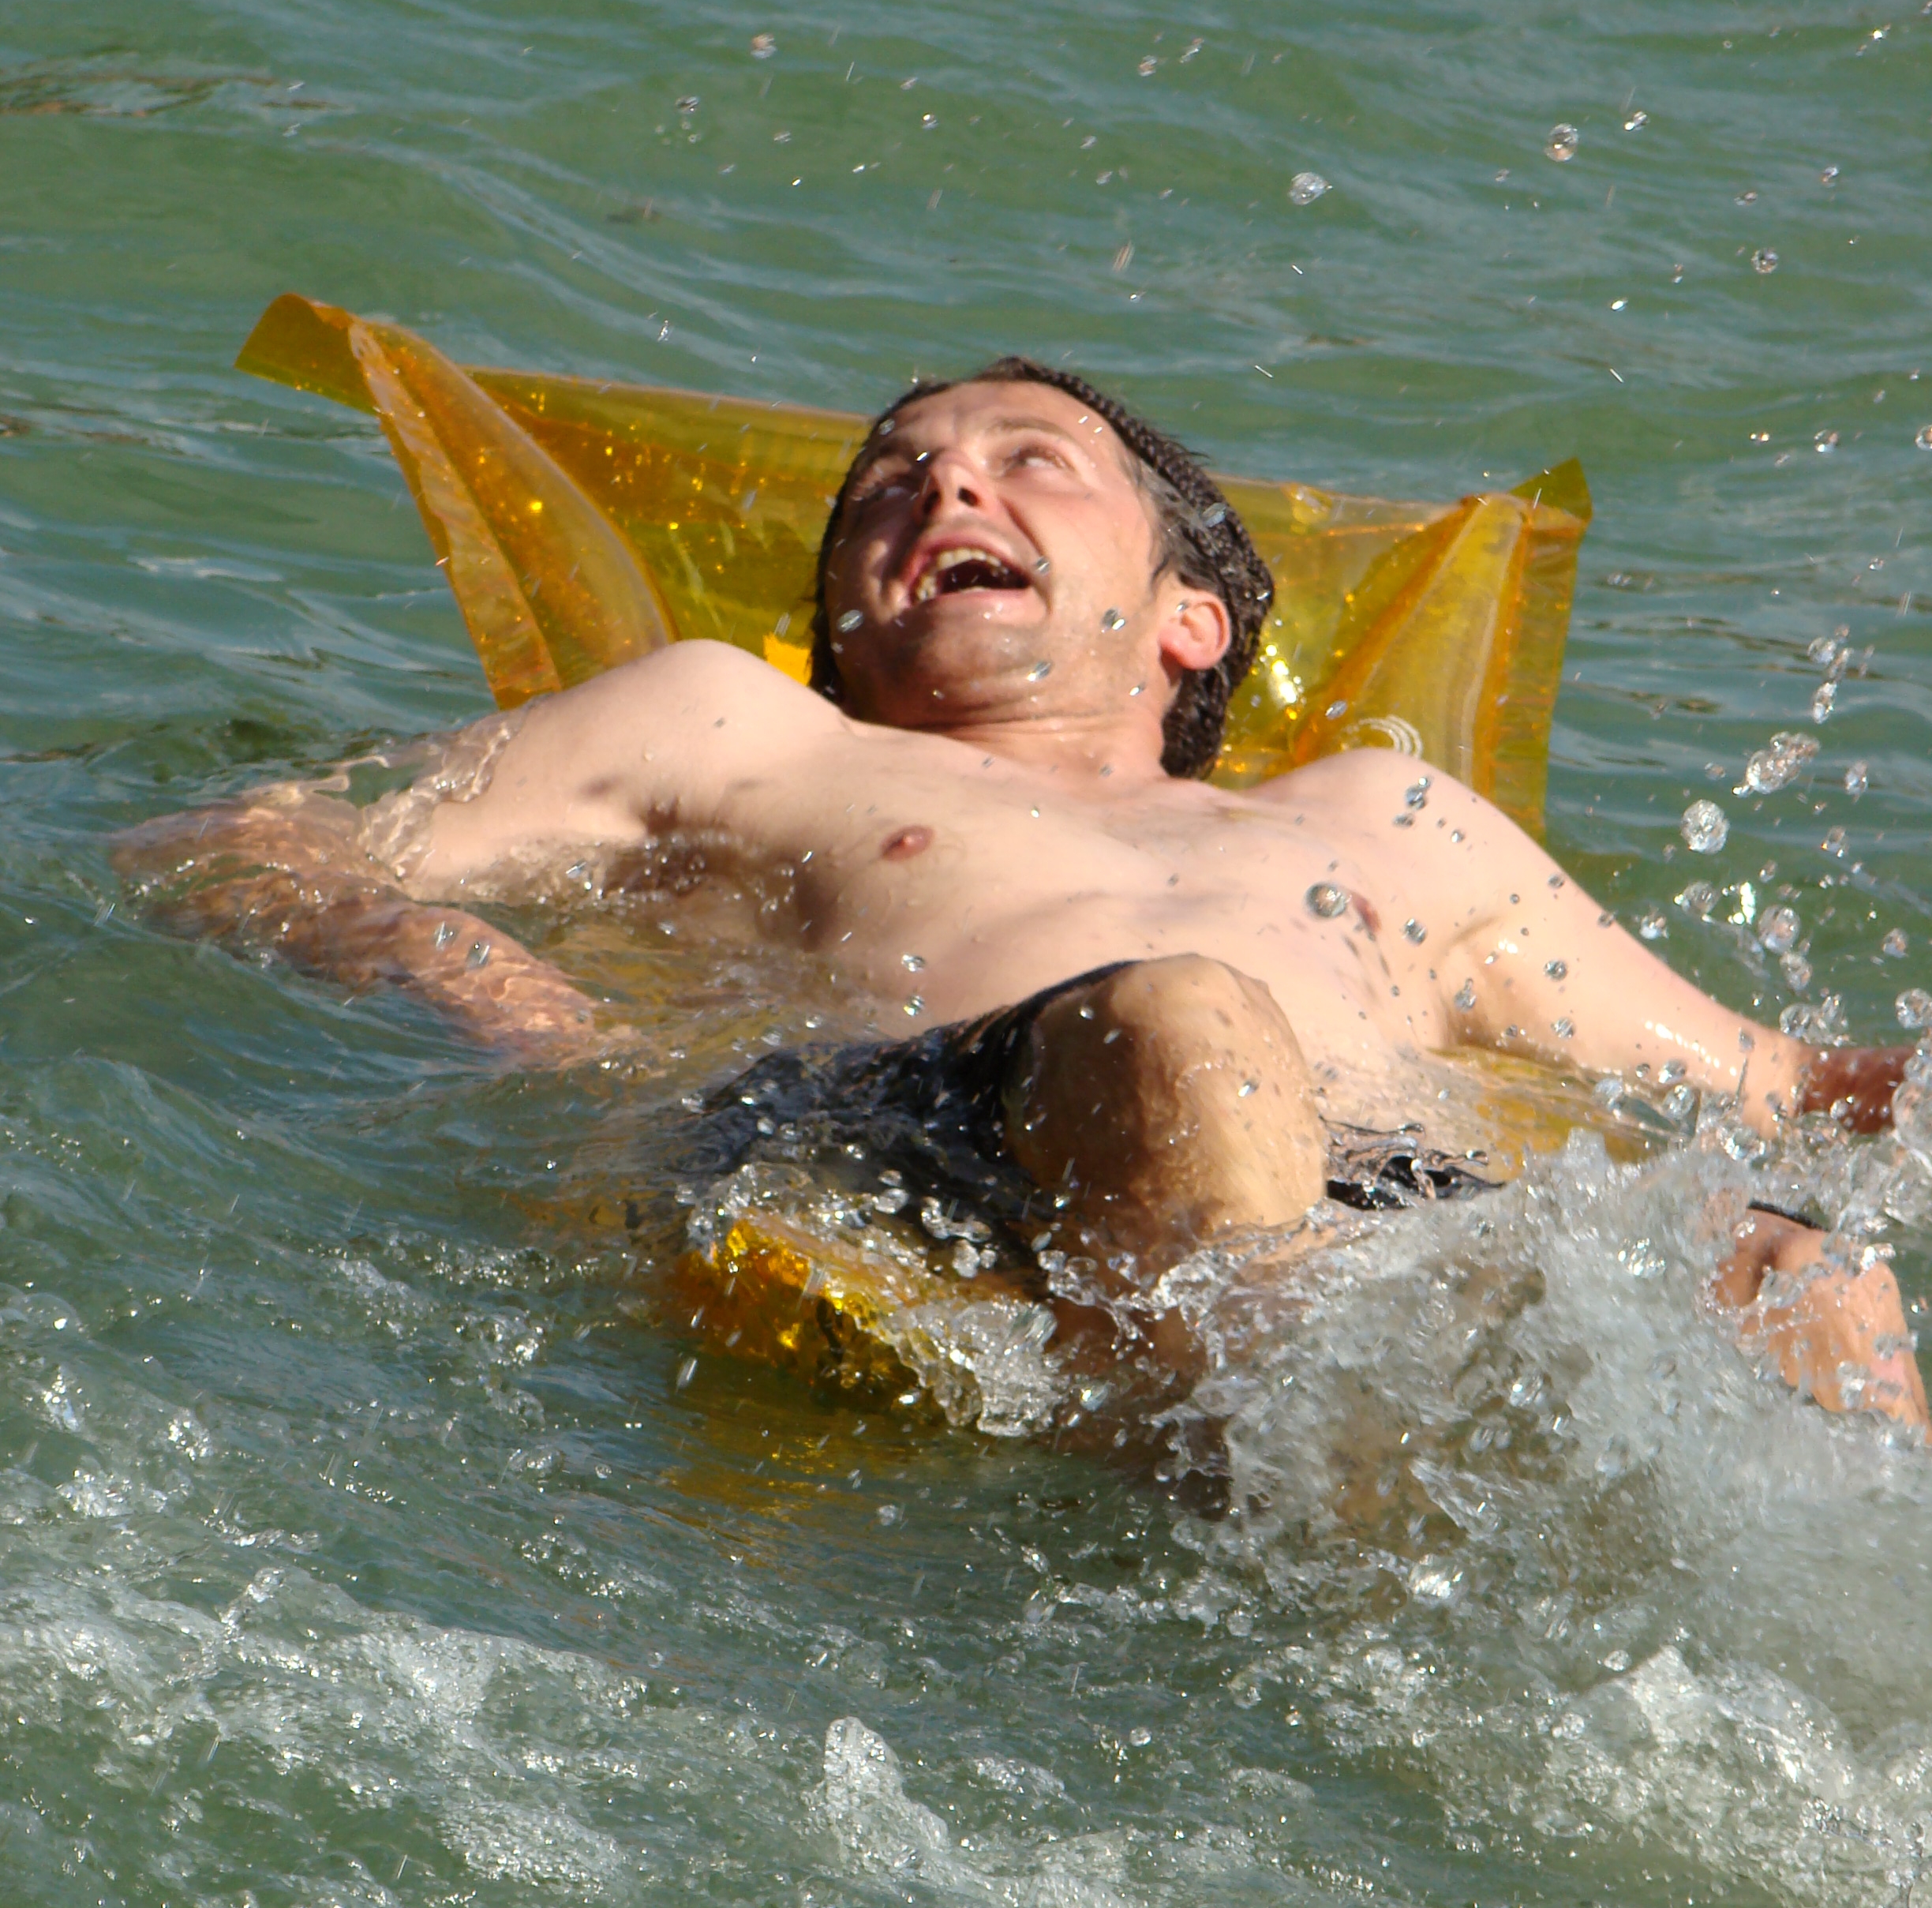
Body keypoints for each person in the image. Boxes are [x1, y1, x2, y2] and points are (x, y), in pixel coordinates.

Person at [120, 358, 1929, 1441]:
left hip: (1362, 1211)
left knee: (1796, 1269)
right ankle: (1303, 1525)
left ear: (1190, 619)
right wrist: (496, 992)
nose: (944, 482)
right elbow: (240, 843)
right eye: (892, 485)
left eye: (1026, 462)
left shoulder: (1390, 817)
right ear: (843, 624)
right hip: (930, 1138)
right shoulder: (745, 727)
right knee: (1187, 1019)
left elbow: (1784, 1084)